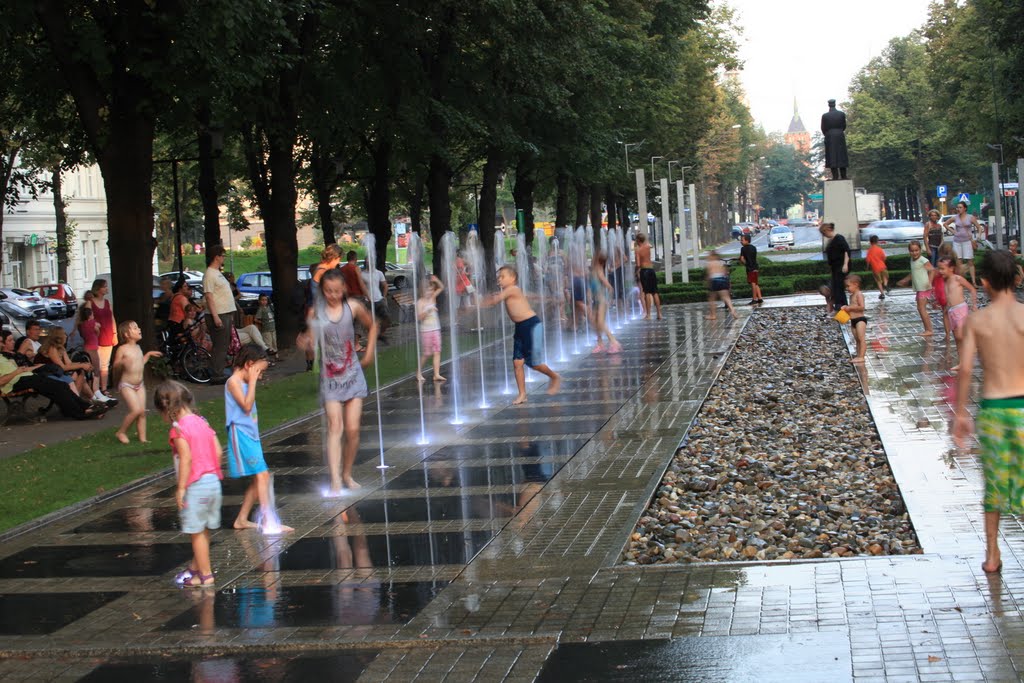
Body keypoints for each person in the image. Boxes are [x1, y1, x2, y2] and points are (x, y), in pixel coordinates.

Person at [951, 250, 1024, 575]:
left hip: (994, 409)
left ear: (983, 282)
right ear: (1018, 278)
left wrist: (961, 413)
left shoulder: (976, 321)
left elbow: (965, 369)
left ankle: (992, 553)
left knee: (994, 482)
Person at [298, 268, 377, 494]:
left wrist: (369, 353)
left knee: (352, 430)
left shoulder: (353, 307)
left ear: (343, 289)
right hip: (330, 377)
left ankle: (346, 474)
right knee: (335, 427)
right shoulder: (316, 312)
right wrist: (306, 343)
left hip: (353, 375)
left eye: (336, 291)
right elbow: (311, 345)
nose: (332, 295)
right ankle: (334, 480)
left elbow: (372, 326)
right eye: (328, 291)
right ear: (323, 291)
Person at [154, 380, 222, 588]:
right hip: (213, 482)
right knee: (203, 531)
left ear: (167, 409)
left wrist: (181, 487)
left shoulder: (179, 429)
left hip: (196, 485)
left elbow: (186, 458)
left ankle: (206, 576)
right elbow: (218, 451)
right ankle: (195, 569)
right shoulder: (202, 422)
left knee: (196, 533)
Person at [225, 344, 293, 534]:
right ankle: (269, 521)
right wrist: (253, 381)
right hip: (241, 435)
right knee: (262, 475)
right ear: (249, 365)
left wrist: (252, 380)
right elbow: (246, 406)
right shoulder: (233, 382)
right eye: (259, 372)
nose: (261, 376)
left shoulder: (244, 381)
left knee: (259, 478)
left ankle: (241, 519)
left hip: (251, 435)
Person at [482, 266, 561, 405]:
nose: (499, 280)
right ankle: (522, 394)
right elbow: (497, 298)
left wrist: (480, 302)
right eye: (498, 278)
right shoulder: (507, 291)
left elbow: (495, 301)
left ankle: (554, 377)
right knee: (517, 362)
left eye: (502, 277)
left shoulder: (513, 289)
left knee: (533, 363)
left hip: (531, 325)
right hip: (520, 328)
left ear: (513, 279)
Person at [0, 330, 109, 420]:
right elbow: (2, 381)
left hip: (27, 376)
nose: (13, 342)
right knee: (56, 386)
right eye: (9, 340)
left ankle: (86, 407)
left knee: (62, 385)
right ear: (2, 343)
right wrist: (17, 372)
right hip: (15, 383)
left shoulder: (8, 356)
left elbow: (23, 369)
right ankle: (80, 412)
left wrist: (36, 367)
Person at [112, 320, 162, 444]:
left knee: (142, 413)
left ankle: (143, 439)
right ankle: (121, 432)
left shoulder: (138, 347)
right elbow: (115, 366)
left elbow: (140, 363)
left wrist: (148, 355)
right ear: (126, 334)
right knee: (136, 410)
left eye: (138, 327)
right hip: (127, 385)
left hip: (139, 385)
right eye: (135, 328)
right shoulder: (122, 349)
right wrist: (122, 363)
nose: (139, 329)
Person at [203, 245, 236, 384]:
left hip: (225, 313)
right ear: (216, 257)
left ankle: (218, 369)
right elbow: (209, 297)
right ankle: (217, 374)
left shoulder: (217, 273)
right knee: (220, 345)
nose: (224, 258)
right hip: (219, 314)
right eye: (222, 255)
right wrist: (215, 316)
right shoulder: (210, 274)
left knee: (224, 344)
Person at [937, 256, 977, 370]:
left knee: (960, 335)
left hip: (960, 309)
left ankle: (972, 342)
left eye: (942, 269)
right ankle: (962, 363)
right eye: (939, 269)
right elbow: (948, 296)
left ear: (951, 268)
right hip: (951, 311)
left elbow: (972, 289)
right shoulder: (945, 281)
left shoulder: (957, 279)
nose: (940, 271)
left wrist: (973, 304)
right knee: (957, 338)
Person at [36, 327, 92, 399]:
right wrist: (82, 365)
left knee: (80, 372)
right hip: (45, 374)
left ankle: (84, 399)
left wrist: (83, 364)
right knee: (80, 373)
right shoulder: (52, 348)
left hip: (56, 372)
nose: (66, 336)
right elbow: (63, 367)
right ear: (58, 337)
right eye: (64, 334)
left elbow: (69, 363)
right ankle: (77, 400)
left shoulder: (61, 348)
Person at [85, 278, 117, 397]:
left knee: (105, 364)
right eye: (104, 286)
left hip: (107, 334)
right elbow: (88, 319)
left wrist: (115, 333)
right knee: (95, 364)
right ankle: (94, 388)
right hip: (96, 336)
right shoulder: (90, 302)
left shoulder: (108, 302)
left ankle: (103, 388)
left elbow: (112, 317)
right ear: (98, 288)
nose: (106, 288)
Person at [897, 240, 934, 337]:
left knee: (922, 309)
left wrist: (929, 282)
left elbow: (932, 270)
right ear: (909, 251)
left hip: (924, 288)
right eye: (912, 251)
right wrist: (905, 280)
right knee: (920, 308)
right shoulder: (912, 260)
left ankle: (929, 330)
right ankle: (927, 329)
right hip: (919, 288)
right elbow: (913, 273)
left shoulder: (923, 260)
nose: (914, 253)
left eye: (916, 250)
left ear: (920, 250)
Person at [589, 252, 621, 353]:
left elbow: (609, 286)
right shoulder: (594, 270)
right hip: (596, 300)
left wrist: (609, 299)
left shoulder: (598, 270)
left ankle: (614, 342)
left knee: (601, 322)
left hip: (602, 300)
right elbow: (591, 286)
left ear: (598, 261)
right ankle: (600, 343)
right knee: (594, 321)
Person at [943, 201, 982, 286]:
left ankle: (974, 282)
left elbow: (979, 227)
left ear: (965, 208)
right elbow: (945, 224)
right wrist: (953, 231)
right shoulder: (955, 217)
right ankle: (961, 281)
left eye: (960, 207)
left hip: (967, 241)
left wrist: (978, 237)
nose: (958, 209)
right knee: (958, 261)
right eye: (957, 207)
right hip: (957, 241)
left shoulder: (970, 217)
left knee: (970, 261)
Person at [416, 275, 446, 383]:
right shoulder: (420, 302)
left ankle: (436, 374)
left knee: (437, 351)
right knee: (427, 353)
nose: (430, 293)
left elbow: (442, 287)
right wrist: (429, 310)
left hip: (436, 329)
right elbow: (419, 318)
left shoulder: (433, 297)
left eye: (431, 290)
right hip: (426, 331)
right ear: (422, 291)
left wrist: (437, 280)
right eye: (427, 291)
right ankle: (418, 372)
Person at [820, 222, 850, 310]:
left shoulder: (839, 238)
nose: (824, 235)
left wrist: (845, 264)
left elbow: (846, 251)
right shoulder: (831, 240)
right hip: (835, 267)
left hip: (841, 266)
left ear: (828, 230)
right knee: (836, 286)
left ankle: (842, 305)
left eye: (824, 233)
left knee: (839, 286)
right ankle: (839, 305)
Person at [361, 260, 391, 343]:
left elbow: (385, 285)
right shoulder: (362, 274)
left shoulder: (379, 273)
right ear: (365, 263)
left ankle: (381, 334)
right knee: (370, 322)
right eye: (367, 262)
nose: (369, 263)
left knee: (387, 319)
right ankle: (372, 338)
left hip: (379, 299)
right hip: (368, 301)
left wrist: (384, 297)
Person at [77, 304, 102, 399]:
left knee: (89, 371)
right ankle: (95, 390)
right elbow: (98, 326)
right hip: (93, 349)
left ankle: (90, 390)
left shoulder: (81, 325)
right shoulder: (91, 323)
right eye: (92, 315)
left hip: (86, 347)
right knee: (96, 370)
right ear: (89, 316)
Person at [634, 233, 662, 319]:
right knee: (655, 292)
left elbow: (638, 264)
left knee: (647, 292)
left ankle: (648, 315)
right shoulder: (647, 246)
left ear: (638, 240)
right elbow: (649, 245)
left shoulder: (638, 250)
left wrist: (636, 271)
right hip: (651, 270)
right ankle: (659, 314)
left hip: (644, 271)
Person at [841, 274, 867, 364]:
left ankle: (862, 357)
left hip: (860, 320)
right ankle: (858, 355)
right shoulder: (851, 296)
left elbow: (862, 307)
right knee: (857, 340)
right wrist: (846, 308)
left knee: (861, 338)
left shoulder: (859, 295)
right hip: (853, 321)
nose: (847, 288)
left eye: (848, 286)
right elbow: (851, 307)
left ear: (856, 284)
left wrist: (850, 308)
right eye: (846, 287)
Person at [821, 99, 849, 180]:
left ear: (829, 105)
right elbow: (844, 126)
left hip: (830, 136)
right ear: (835, 104)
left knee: (832, 156)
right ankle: (844, 176)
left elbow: (823, 128)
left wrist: (828, 134)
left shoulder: (825, 116)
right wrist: (839, 131)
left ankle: (835, 176)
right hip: (840, 135)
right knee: (842, 155)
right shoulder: (841, 114)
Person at [705, 250, 737, 320]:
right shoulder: (720, 263)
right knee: (726, 297)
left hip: (714, 280)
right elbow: (725, 273)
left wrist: (708, 283)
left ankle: (713, 315)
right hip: (722, 279)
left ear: (712, 256)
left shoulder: (710, 263)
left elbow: (709, 274)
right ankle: (733, 311)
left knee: (712, 298)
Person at [739, 234, 762, 305]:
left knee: (752, 283)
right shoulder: (753, 247)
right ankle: (760, 298)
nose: (741, 241)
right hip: (755, 267)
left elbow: (742, 259)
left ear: (746, 240)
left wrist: (745, 263)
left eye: (742, 240)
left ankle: (754, 299)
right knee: (756, 283)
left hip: (750, 268)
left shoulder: (743, 249)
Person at [865, 235, 889, 299]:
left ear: (870, 242)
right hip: (882, 266)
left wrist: (867, 267)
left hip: (875, 268)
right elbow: (884, 258)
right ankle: (886, 284)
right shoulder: (880, 249)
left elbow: (868, 260)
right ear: (877, 241)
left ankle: (882, 293)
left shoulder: (869, 251)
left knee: (878, 281)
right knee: (885, 277)